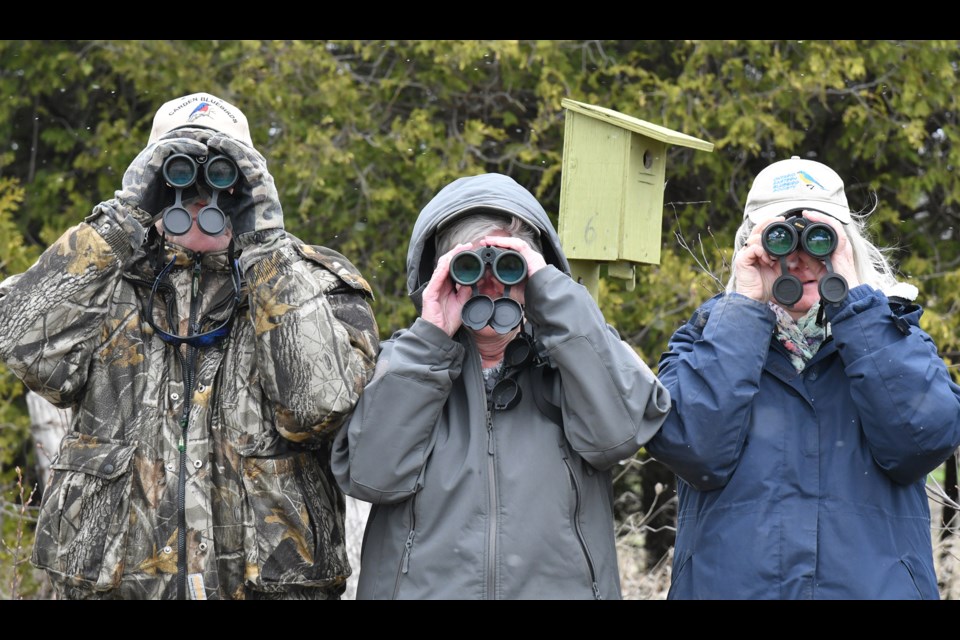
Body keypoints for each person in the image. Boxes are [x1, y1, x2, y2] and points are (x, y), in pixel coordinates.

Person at [0, 92, 379, 600]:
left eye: (223, 173)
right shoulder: (104, 279)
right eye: (176, 171)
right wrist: (122, 216)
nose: (201, 192)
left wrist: (264, 242)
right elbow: (26, 348)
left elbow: (317, 408)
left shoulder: (311, 284)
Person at [331, 172, 671, 599]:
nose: (491, 284)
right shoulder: (405, 364)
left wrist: (552, 295)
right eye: (469, 266)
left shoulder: (576, 362)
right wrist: (432, 334)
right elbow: (371, 476)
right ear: (441, 273)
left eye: (509, 266)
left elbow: (620, 433)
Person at [646, 156, 960, 599]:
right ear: (751, 248)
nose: (799, 260)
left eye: (820, 240)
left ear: (846, 245)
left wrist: (856, 307)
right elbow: (695, 451)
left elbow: (922, 441)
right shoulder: (707, 342)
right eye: (778, 240)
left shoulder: (894, 334)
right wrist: (746, 309)